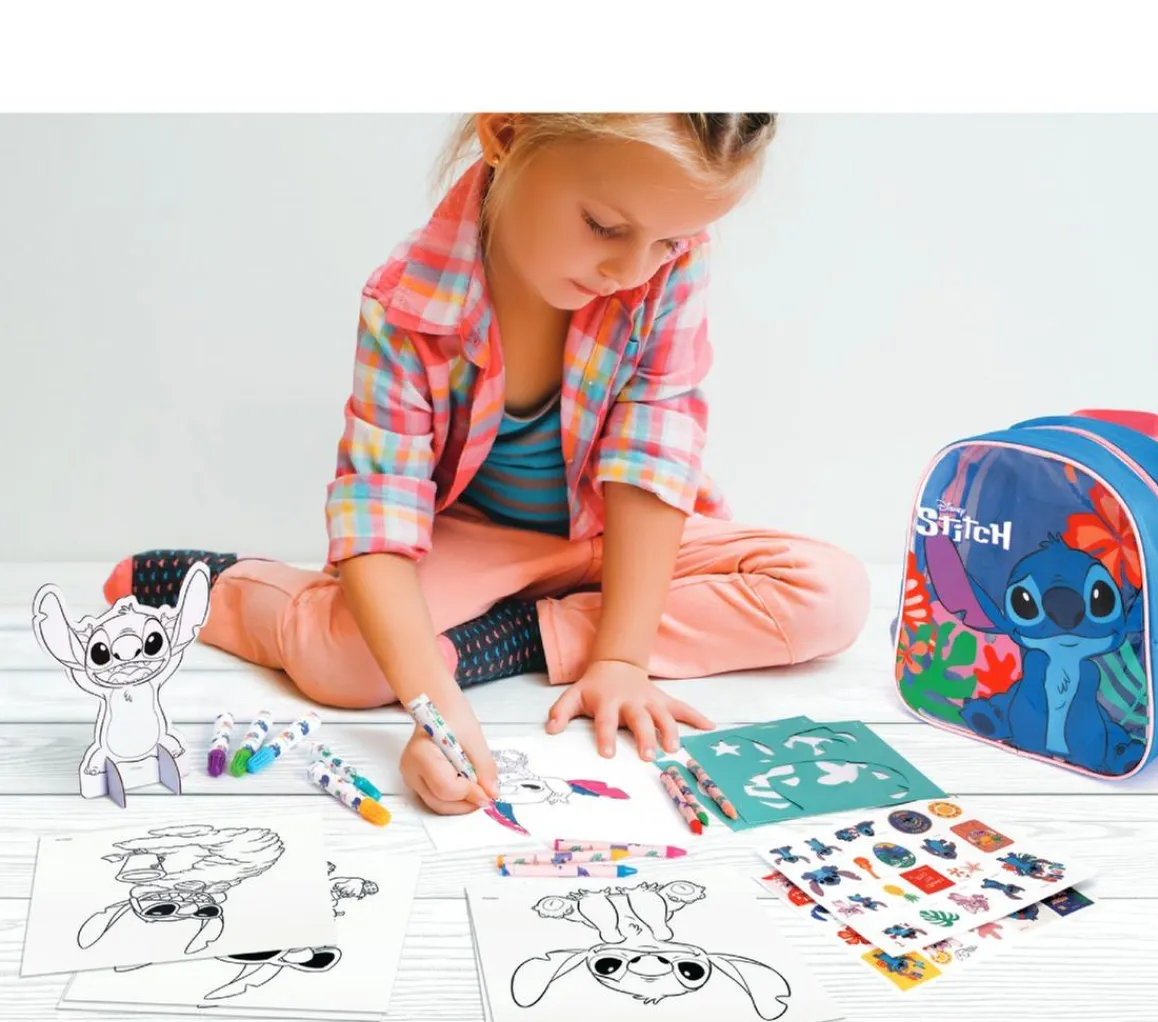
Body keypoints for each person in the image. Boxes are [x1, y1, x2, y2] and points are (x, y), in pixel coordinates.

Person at [105, 112, 870, 817]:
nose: (633, 269)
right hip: (478, 543)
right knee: (344, 664)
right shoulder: (407, 304)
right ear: (505, 132)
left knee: (831, 595)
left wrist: (623, 659)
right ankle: (233, 588)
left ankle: (523, 638)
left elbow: (653, 454)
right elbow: (378, 517)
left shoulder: (666, 271)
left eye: (667, 243)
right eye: (605, 226)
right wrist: (436, 707)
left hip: (620, 538)